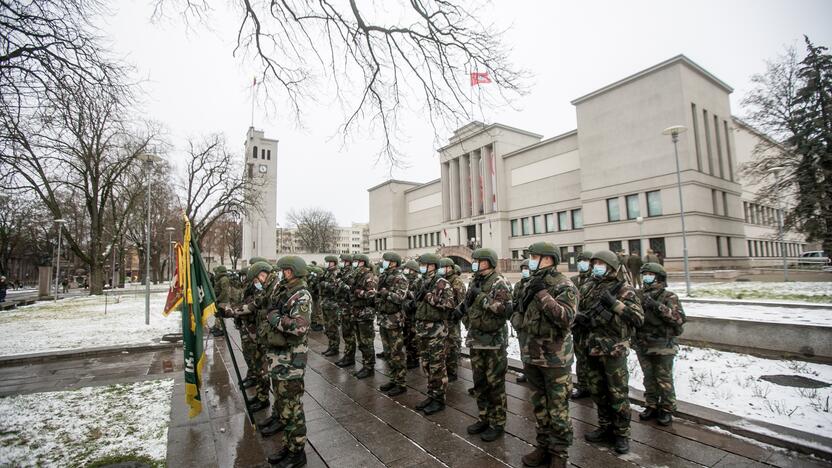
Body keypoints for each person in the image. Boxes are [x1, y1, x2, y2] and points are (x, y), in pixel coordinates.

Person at [513, 243, 578, 468]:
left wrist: (542, 294)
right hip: (532, 354)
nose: (531, 260)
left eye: (535, 257)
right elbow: (516, 312)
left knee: (558, 407)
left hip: (555, 358)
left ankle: (559, 453)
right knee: (539, 405)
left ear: (548, 259)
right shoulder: (528, 283)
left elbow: (566, 317)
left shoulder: (563, 285)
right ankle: (542, 445)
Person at [580, 250, 644, 455]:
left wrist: (615, 304)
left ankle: (622, 434)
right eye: (595, 263)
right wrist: (580, 318)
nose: (597, 266)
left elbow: (637, 318)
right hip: (591, 346)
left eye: (601, 263)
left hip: (613, 349)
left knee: (617, 393)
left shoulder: (624, 289)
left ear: (612, 267)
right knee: (598, 390)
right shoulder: (589, 286)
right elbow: (579, 307)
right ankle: (605, 426)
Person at [262, 256, 312, 468]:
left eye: (286, 271)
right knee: (283, 405)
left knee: (292, 407)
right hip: (279, 357)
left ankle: (298, 452)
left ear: (294, 272)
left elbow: (300, 327)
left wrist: (274, 319)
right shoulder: (284, 291)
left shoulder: (302, 295)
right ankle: (288, 445)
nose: (283, 274)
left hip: (292, 359)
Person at [457, 248, 511, 442]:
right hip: (476, 340)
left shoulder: (499, 282)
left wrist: (481, 297)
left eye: (479, 260)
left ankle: (497, 423)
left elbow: (503, 309)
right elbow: (469, 305)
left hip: (493, 342)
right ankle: (484, 417)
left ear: (489, 262)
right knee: (480, 383)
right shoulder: (475, 280)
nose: (475, 263)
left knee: (494, 384)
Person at [636, 263, 685, 426]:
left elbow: (678, 318)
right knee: (648, 378)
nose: (646, 277)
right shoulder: (640, 294)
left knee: (663, 379)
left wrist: (657, 306)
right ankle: (651, 405)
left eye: (650, 274)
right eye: (644, 274)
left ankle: (667, 408)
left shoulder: (669, 296)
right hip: (643, 344)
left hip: (663, 345)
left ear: (659, 277)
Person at [413, 253, 456, 415]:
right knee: (426, 364)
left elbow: (450, 304)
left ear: (432, 265)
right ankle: (431, 395)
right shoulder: (422, 281)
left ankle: (439, 399)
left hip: (436, 331)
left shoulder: (442, 283)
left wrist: (430, 297)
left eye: (424, 264)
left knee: (437, 366)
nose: (421, 266)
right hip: (422, 329)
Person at [375, 252, 410, 396]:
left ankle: (401, 383)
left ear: (394, 262)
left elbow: (400, 297)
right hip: (384, 318)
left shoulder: (400, 277)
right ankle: (393, 379)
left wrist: (385, 293)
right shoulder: (384, 275)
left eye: (386, 260)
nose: (383, 262)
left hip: (394, 319)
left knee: (397, 353)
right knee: (388, 352)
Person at [349, 254, 378, 379]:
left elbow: (372, 294)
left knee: (367, 341)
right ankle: (366, 365)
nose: (355, 263)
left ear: (363, 263)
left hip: (365, 313)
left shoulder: (368, 276)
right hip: (357, 312)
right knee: (361, 342)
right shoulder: (357, 275)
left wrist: (358, 292)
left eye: (357, 262)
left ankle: (369, 367)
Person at [570, 251, 593, 400]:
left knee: (593, 358)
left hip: (592, 327)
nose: (581, 263)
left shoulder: (596, 280)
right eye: (580, 260)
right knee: (580, 358)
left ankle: (595, 387)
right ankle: (583, 386)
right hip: (578, 326)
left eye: (585, 260)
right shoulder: (573, 280)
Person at [442, 258, 466, 382]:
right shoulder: (443, 280)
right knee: (445, 343)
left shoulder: (456, 281)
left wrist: (457, 314)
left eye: (444, 267)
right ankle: (447, 366)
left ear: (450, 268)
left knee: (453, 343)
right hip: (444, 317)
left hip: (452, 317)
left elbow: (462, 301)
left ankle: (453, 370)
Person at [334, 254, 357, 368]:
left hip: (348, 307)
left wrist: (341, 283)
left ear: (348, 262)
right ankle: (347, 355)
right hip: (342, 306)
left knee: (349, 333)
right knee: (345, 332)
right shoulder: (342, 272)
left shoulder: (351, 272)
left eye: (343, 261)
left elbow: (351, 288)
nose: (341, 262)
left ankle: (350, 357)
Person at [510, 259, 530, 383]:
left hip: (531, 321)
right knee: (523, 349)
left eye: (527, 269)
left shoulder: (535, 284)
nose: (524, 271)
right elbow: (513, 301)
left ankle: (533, 374)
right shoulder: (518, 285)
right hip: (520, 321)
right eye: (523, 269)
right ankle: (526, 372)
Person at [319, 256, 342, 356]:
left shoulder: (336, 272)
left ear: (334, 263)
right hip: (326, 302)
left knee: (333, 327)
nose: (327, 264)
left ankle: (335, 347)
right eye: (327, 262)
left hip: (332, 303)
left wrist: (325, 284)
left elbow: (336, 288)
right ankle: (331, 345)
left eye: (329, 262)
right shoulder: (327, 272)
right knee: (328, 327)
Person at [401, 260, 421, 369]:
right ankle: (409, 358)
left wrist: (407, 294)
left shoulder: (418, 281)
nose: (406, 270)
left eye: (408, 269)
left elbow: (418, 297)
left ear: (413, 270)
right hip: (406, 314)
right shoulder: (406, 280)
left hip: (414, 315)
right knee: (407, 337)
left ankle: (415, 359)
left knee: (413, 338)